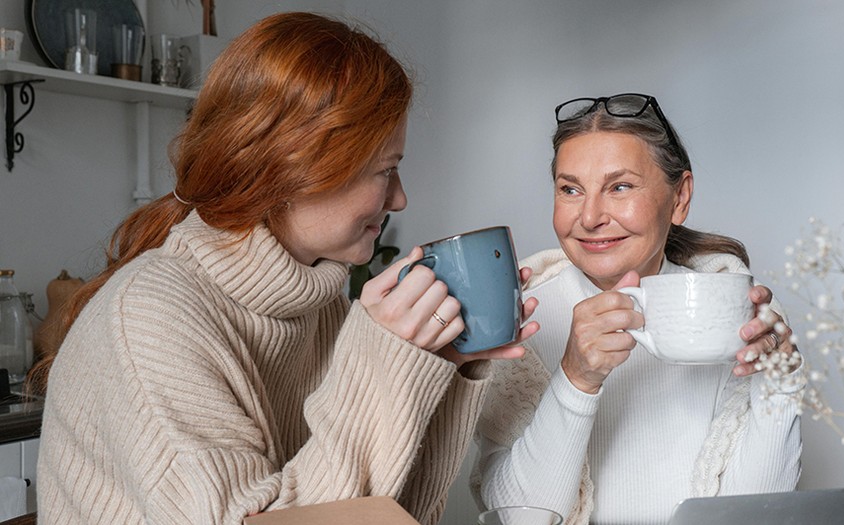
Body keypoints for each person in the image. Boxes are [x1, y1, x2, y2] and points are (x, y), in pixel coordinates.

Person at [31, 12, 537, 525]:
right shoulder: (150, 318)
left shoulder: (317, 308)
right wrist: (379, 361)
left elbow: (393, 515)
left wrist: (439, 369)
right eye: (386, 170)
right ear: (296, 168)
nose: (400, 199)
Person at [471, 93, 803, 525]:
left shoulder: (739, 314)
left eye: (620, 187)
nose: (589, 217)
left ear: (679, 197)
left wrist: (778, 385)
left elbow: (757, 515)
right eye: (570, 189)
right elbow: (517, 518)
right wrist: (576, 379)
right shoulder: (522, 317)